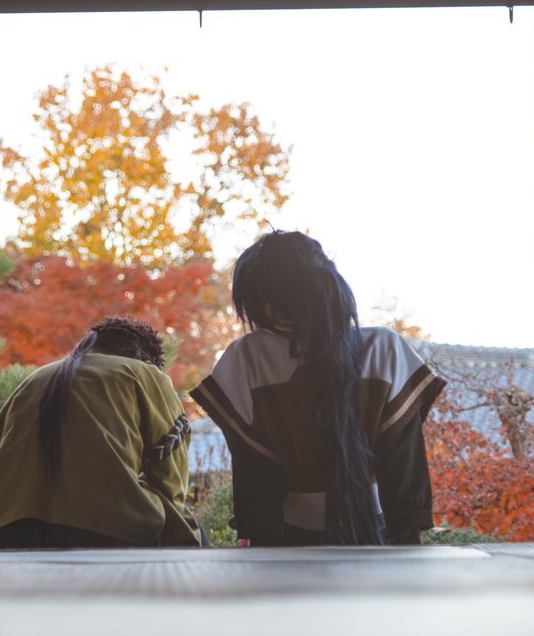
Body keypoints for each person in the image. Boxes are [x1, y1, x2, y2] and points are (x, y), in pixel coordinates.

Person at [190, 231, 445, 545]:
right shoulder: (385, 347)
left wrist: (256, 546)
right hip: (376, 534)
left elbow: (255, 475)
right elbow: (403, 468)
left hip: (286, 541)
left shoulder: (246, 357)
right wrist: (408, 547)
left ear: (262, 299)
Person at [0, 316, 201, 549]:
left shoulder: (34, 379)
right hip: (109, 527)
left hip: (1, 530)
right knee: (193, 536)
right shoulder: (143, 373)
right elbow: (170, 474)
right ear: (143, 358)